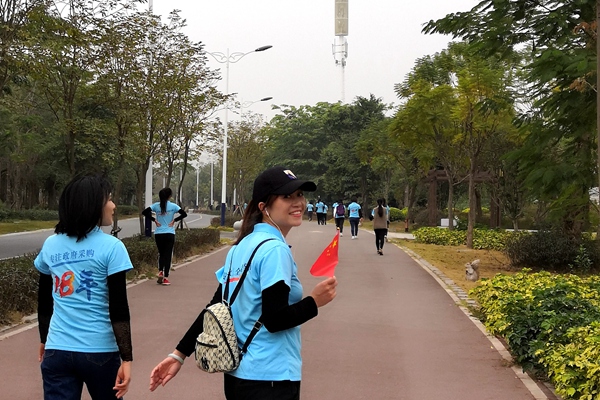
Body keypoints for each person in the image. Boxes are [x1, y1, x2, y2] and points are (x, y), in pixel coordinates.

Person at [149, 166, 338, 400]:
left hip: (238, 378)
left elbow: (215, 306)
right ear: (264, 206)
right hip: (271, 377)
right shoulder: (274, 250)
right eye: (287, 196)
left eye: (299, 194)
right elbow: (275, 319)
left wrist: (179, 354)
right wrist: (315, 301)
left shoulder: (240, 247)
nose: (298, 202)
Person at [35, 175, 134, 400]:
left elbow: (44, 300)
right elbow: (118, 308)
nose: (113, 206)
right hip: (100, 352)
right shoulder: (112, 247)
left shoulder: (51, 244)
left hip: (57, 350)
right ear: (94, 205)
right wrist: (127, 358)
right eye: (109, 199)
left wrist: (44, 339)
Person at [142, 188, 188, 286]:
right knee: (168, 255)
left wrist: (154, 220)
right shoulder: (173, 206)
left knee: (161, 254)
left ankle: (160, 271)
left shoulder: (156, 206)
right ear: (169, 196)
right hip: (169, 233)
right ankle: (166, 278)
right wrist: (174, 220)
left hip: (159, 233)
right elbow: (184, 214)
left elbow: (144, 212)